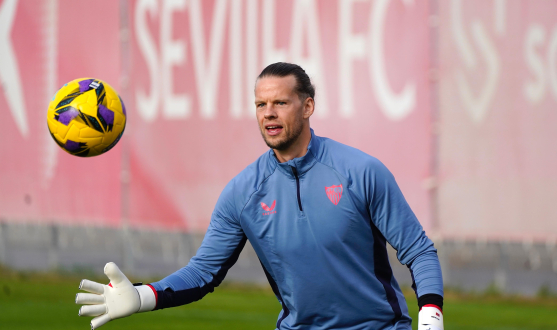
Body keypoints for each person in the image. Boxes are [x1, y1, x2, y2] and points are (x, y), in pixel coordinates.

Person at [76, 63, 444, 330]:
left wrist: (430, 313)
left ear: (308, 106)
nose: (268, 113)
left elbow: (418, 249)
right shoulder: (242, 192)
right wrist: (143, 296)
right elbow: (204, 272)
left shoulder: (361, 171)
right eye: (260, 104)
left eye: (280, 103)